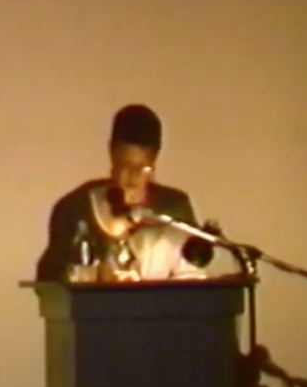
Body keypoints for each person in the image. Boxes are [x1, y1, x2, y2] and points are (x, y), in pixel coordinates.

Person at [36, 104, 205, 282]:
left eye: (142, 168)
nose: (133, 178)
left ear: (155, 159)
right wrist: (94, 275)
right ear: (112, 153)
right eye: (125, 165)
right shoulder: (76, 208)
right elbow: (49, 277)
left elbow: (191, 274)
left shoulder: (174, 208)